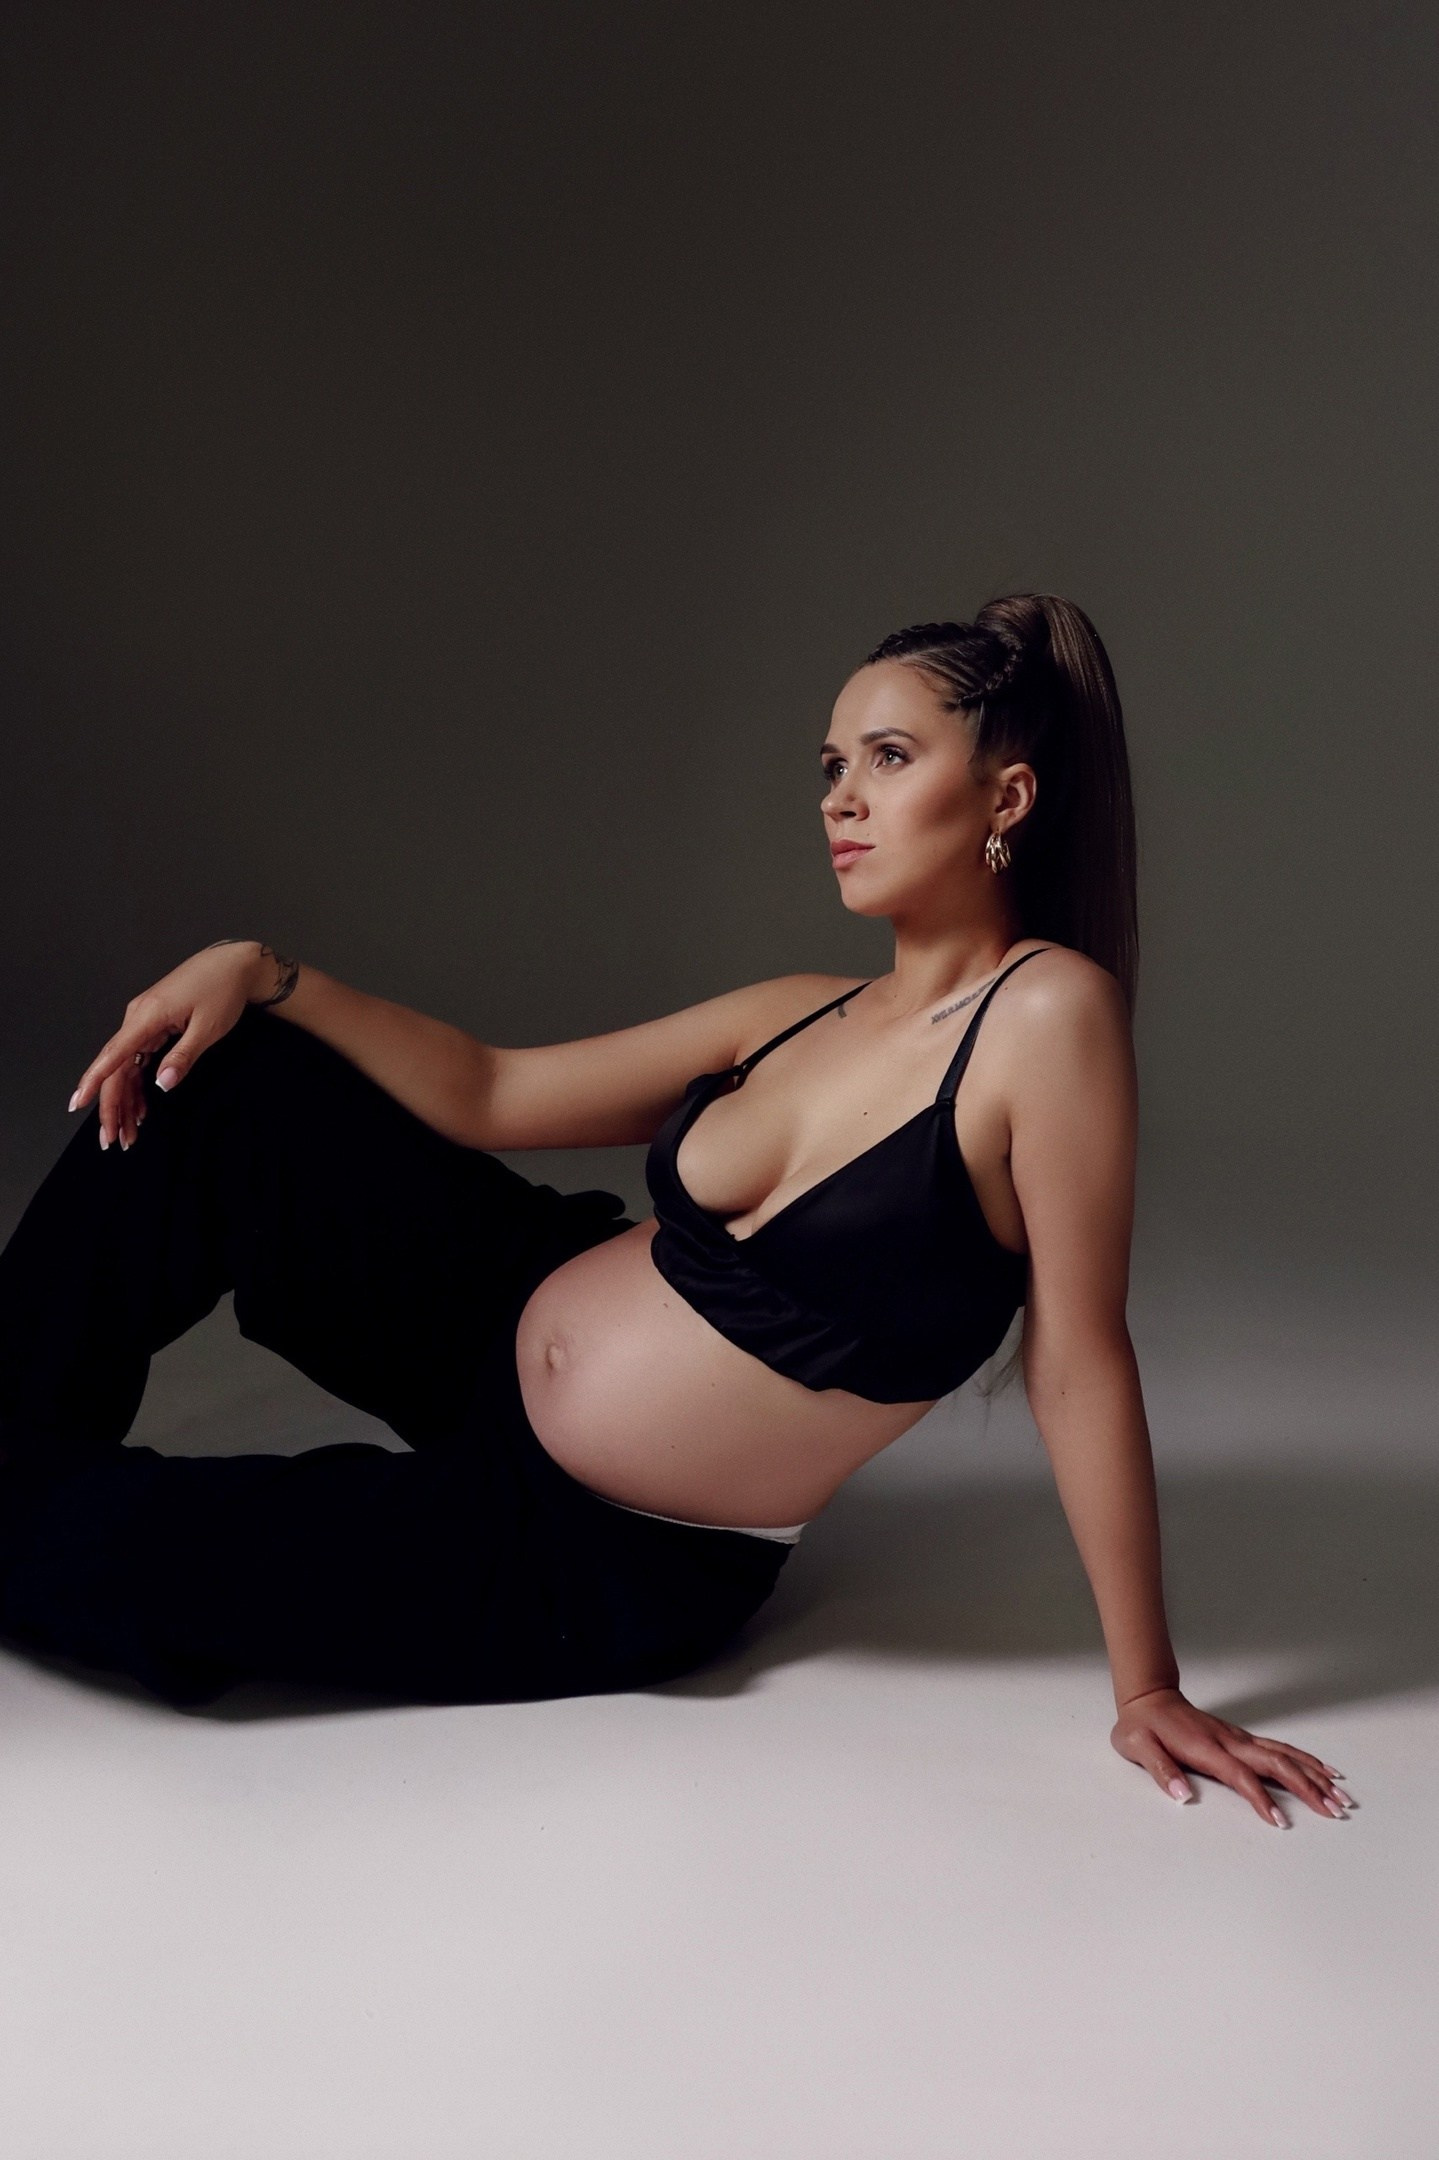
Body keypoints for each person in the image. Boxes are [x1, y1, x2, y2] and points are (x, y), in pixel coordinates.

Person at [0, 593, 1351, 1827]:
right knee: (237, 1081)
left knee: (99, 1554)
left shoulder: (1048, 1016)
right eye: (831, 766)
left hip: (593, 1549)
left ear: (1009, 794)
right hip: (493, 1320)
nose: (842, 799)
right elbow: (489, 1089)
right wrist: (263, 969)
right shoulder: (797, 1010)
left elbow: (1076, 1358)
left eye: (888, 758)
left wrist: (1146, 1686)